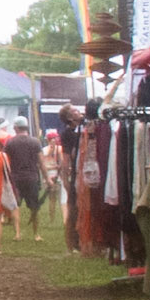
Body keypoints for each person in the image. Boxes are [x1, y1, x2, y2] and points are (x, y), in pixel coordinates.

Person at [5, 117, 45, 242]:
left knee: (15, 206)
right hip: (32, 177)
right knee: (34, 208)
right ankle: (36, 234)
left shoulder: (10, 143)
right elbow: (41, 162)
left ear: (16, 128)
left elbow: (5, 161)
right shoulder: (35, 142)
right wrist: (47, 178)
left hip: (15, 178)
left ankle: (17, 233)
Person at [59, 104, 85, 253]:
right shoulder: (68, 134)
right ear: (69, 117)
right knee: (74, 207)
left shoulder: (84, 127)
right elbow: (66, 158)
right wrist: (65, 179)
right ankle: (74, 241)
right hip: (76, 174)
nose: (79, 111)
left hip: (83, 172)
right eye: (75, 110)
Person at [42, 127, 64, 225]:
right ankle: (57, 219)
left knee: (53, 199)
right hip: (53, 175)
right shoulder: (47, 150)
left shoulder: (45, 150)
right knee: (57, 199)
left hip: (50, 176)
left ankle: (53, 219)